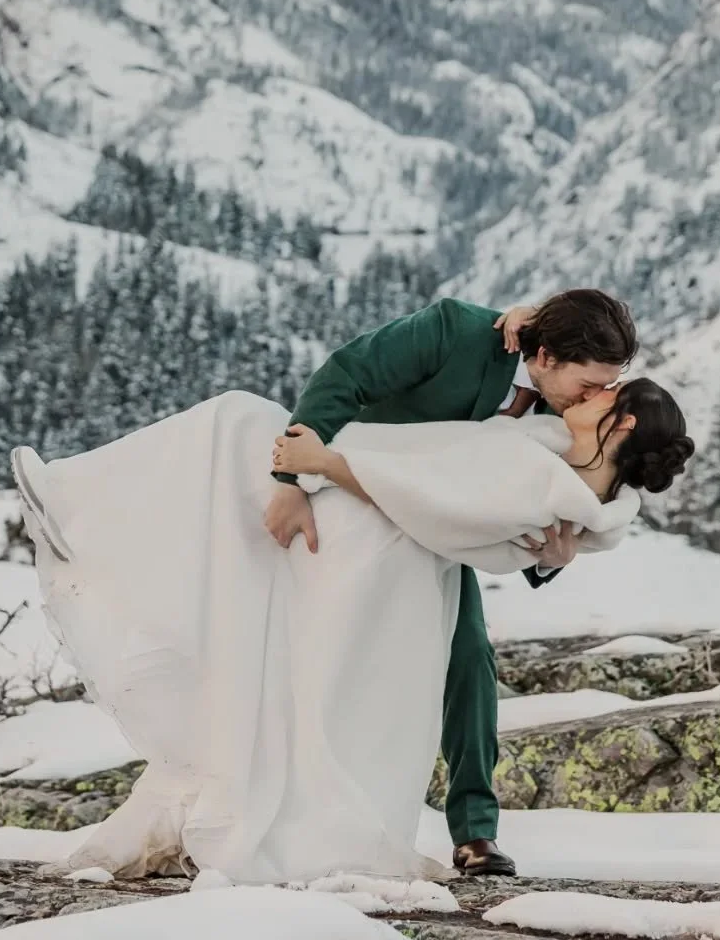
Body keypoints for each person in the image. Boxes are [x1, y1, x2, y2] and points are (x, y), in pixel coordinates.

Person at [11, 353, 693, 890]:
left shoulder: (551, 490)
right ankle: (85, 515)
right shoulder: (565, 470)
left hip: (376, 549)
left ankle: (84, 514)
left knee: (239, 442)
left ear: (623, 425)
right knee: (241, 507)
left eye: (606, 395)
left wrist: (326, 463)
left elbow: (436, 504)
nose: (586, 396)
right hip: (384, 544)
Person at [262, 291, 639, 876]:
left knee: (469, 663)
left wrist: (552, 558)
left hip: (436, 536)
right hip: (349, 509)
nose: (596, 399)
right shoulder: (453, 332)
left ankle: (475, 834)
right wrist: (289, 478)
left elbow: (540, 502)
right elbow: (347, 372)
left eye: (606, 387)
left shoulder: (562, 419)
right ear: (543, 355)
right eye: (589, 386)